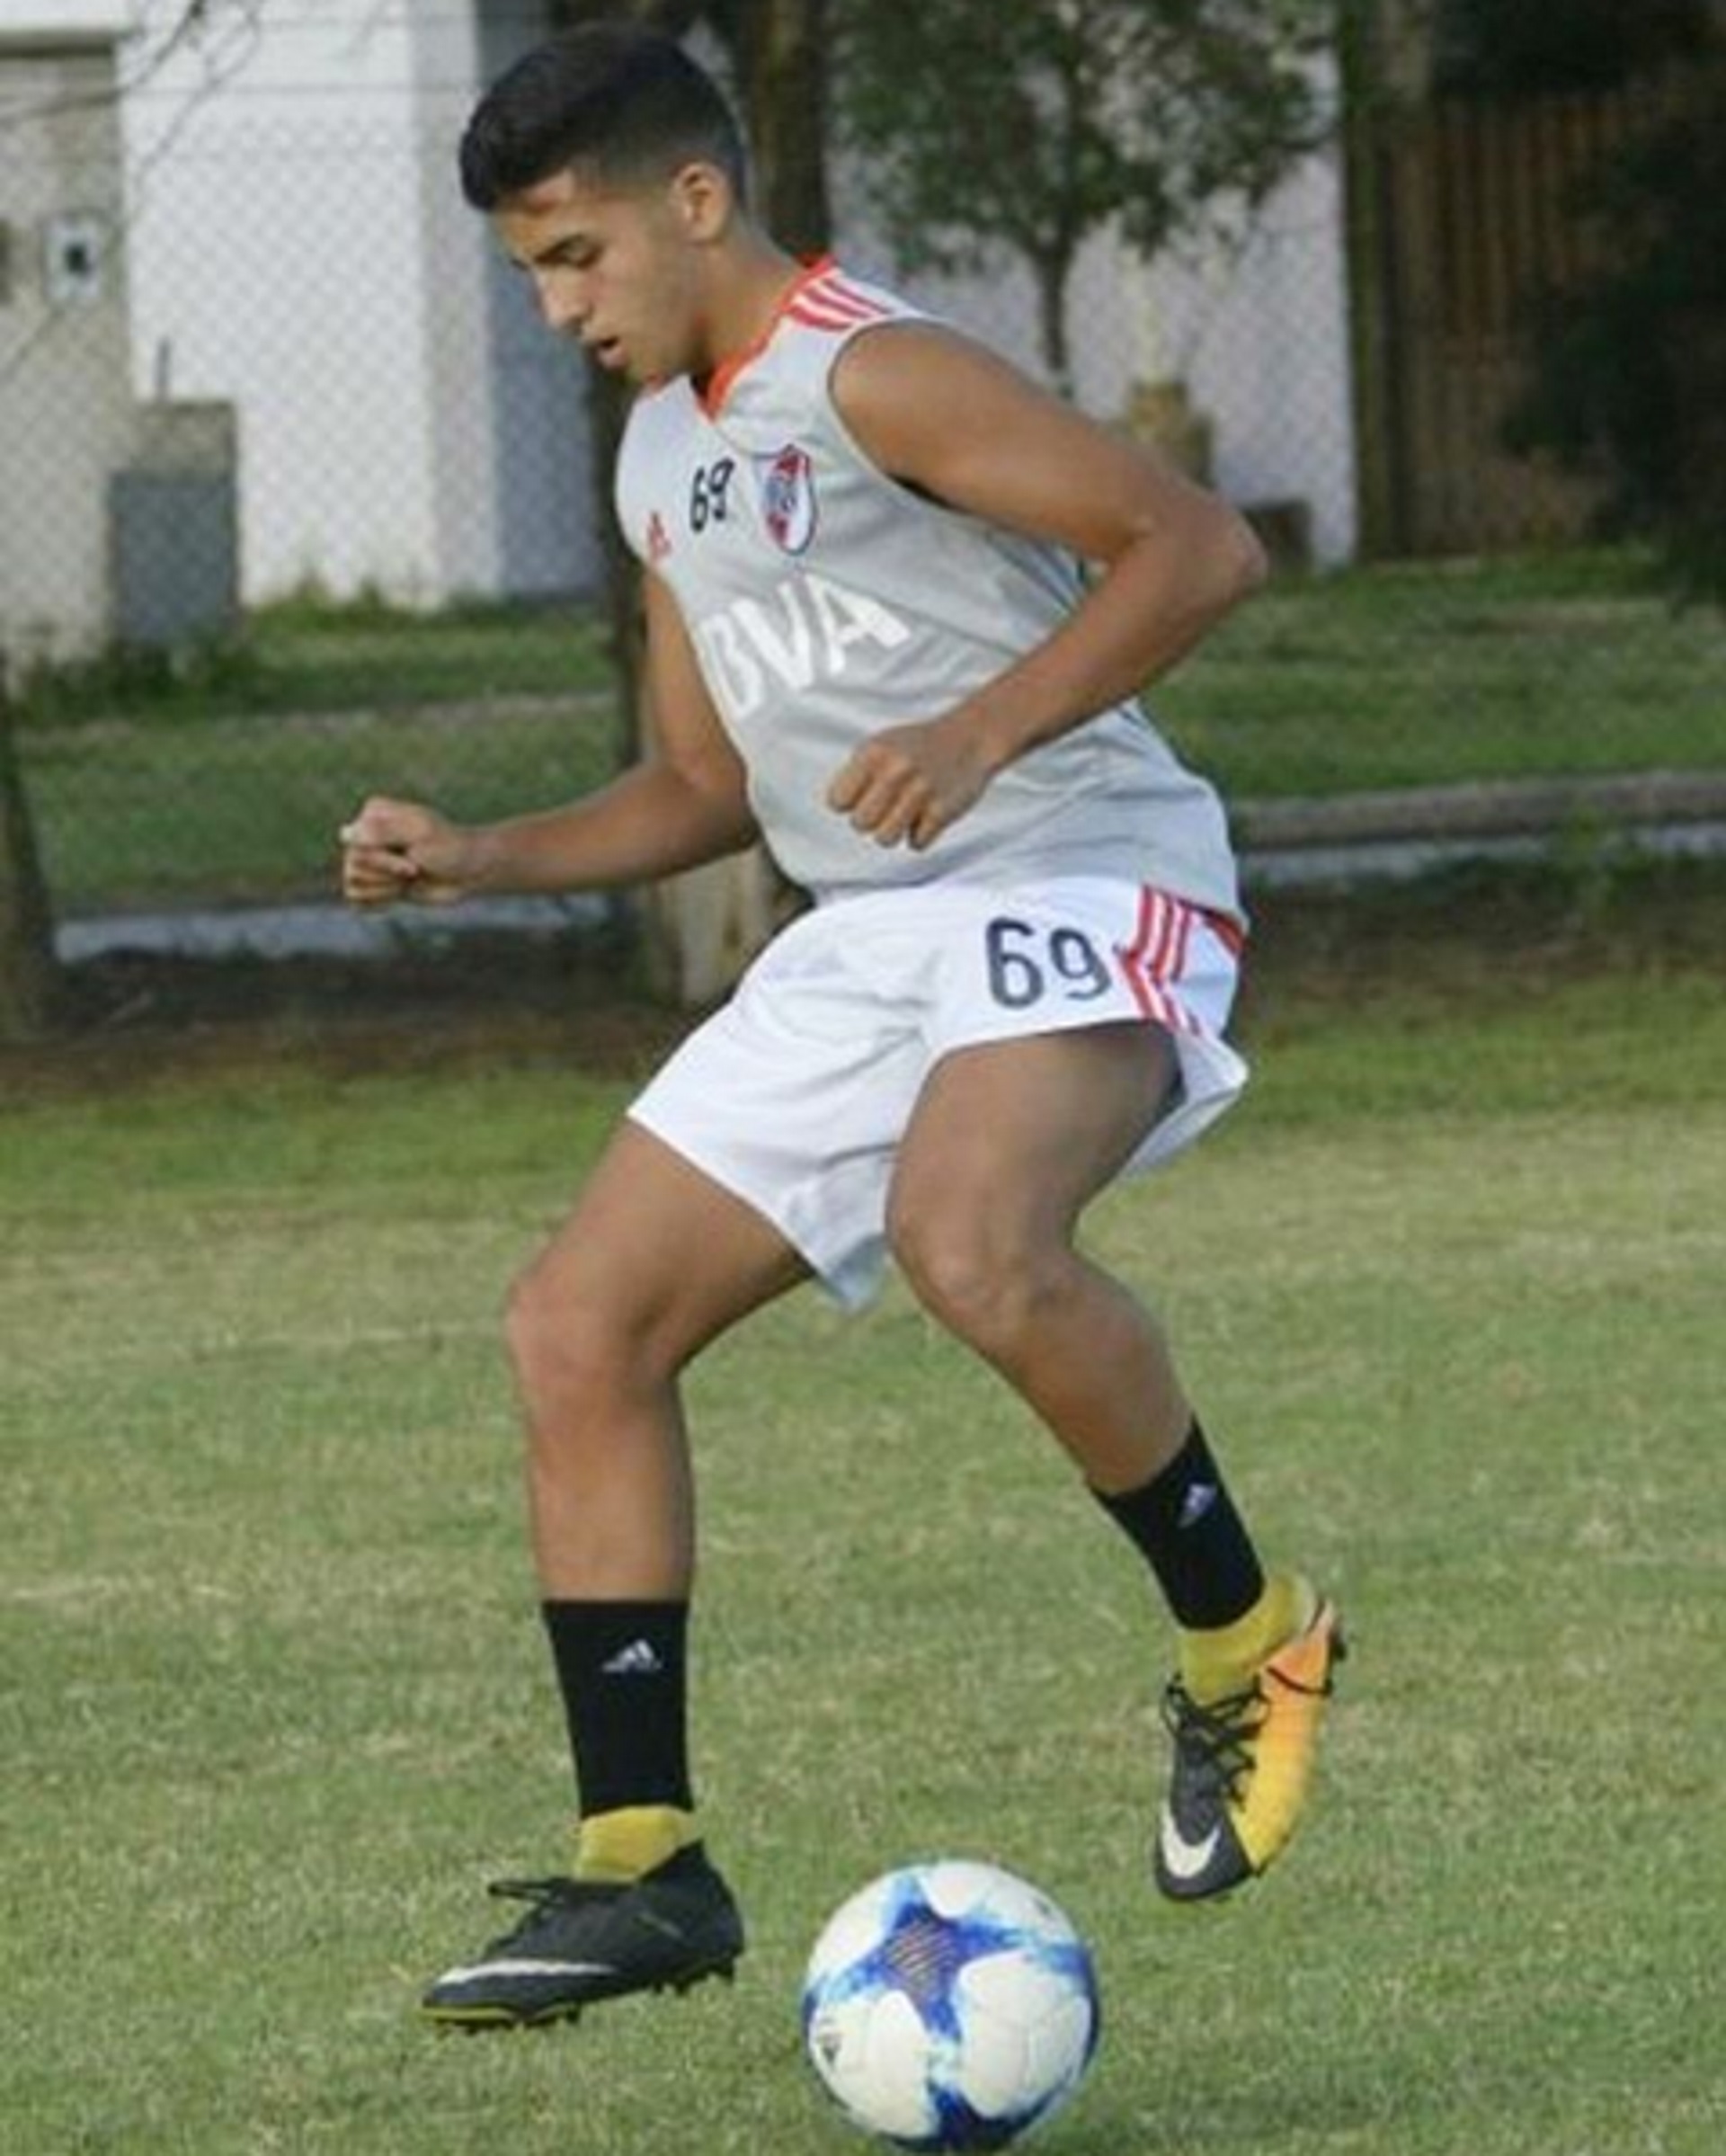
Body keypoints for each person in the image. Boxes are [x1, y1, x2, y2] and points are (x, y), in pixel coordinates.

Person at [340, 22, 1342, 2033]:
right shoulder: (656, 457)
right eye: (533, 273)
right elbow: (705, 785)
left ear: (694, 201)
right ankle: (646, 1865)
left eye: (573, 256)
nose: (559, 309)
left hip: (1082, 867)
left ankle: (1252, 1644)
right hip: (872, 926)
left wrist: (979, 730)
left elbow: (1196, 544)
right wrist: (486, 854)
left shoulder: (877, 368)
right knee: (576, 1322)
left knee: (979, 1235)